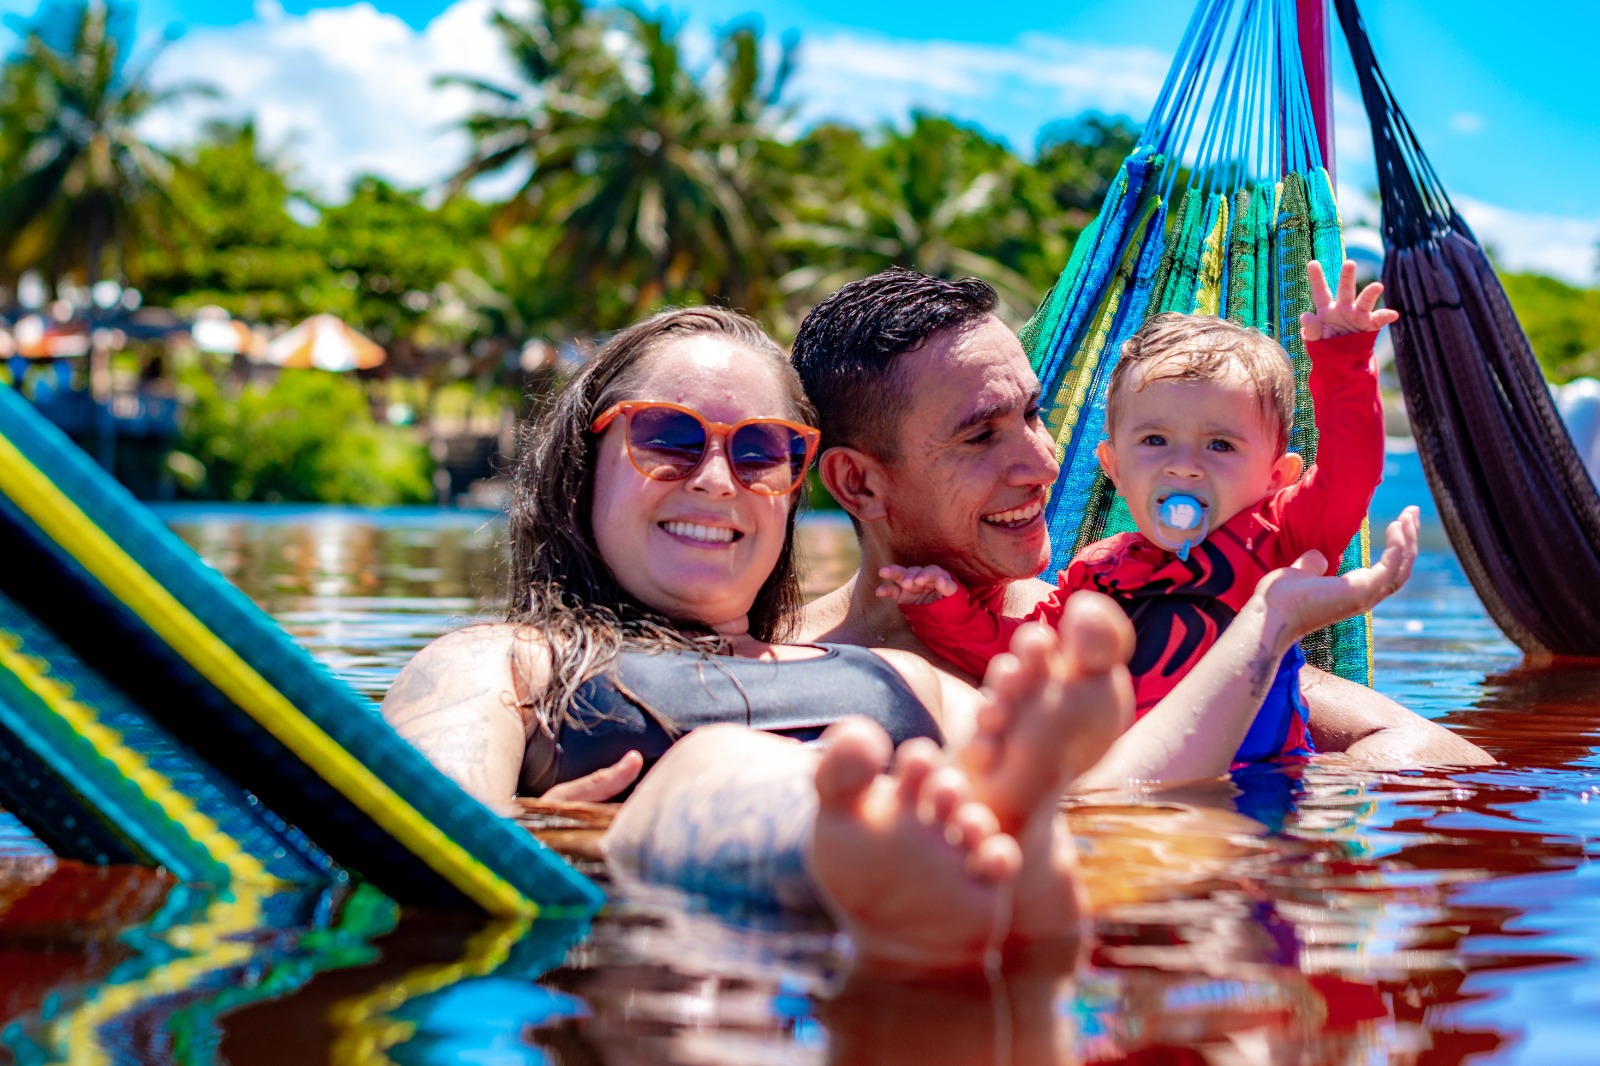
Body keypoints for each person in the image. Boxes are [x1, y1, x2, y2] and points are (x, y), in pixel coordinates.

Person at [382, 303, 1425, 973]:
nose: (716, 479)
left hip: (947, 876)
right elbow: (410, 835)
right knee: (720, 763)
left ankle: (923, 874)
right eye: (666, 439)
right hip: (735, 881)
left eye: (760, 449)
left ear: (802, 480)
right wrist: (570, 837)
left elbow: (1116, 791)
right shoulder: (506, 659)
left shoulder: (907, 672)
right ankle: (881, 858)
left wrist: (1268, 630)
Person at [789, 268, 1492, 768]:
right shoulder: (794, 678)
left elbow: (1444, 757)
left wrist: (1271, 796)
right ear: (857, 483)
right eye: (981, 437)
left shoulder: (1118, 611)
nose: (1043, 463)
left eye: (1035, 415)